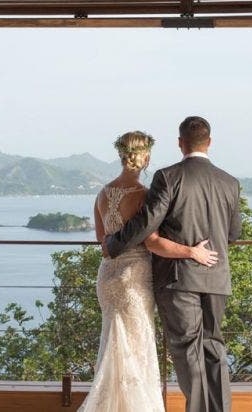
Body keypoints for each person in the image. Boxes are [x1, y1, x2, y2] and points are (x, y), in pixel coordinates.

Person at [104, 116, 241, 412]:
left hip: (179, 279)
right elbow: (234, 233)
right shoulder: (230, 182)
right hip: (217, 276)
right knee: (214, 347)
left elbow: (146, 223)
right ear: (210, 142)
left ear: (180, 143)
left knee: (188, 350)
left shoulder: (168, 177)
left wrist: (114, 243)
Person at [79, 130, 219, 412]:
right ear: (145, 157)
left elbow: (103, 241)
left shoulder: (102, 194)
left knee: (114, 345)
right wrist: (192, 251)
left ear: (122, 156)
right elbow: (152, 242)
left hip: (107, 276)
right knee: (137, 347)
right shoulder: (144, 195)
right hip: (134, 277)